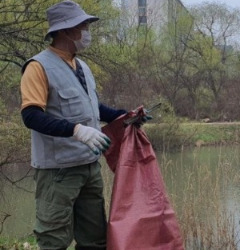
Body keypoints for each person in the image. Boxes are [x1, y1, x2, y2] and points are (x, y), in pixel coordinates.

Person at [19, 1, 131, 249]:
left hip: (89, 167)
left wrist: (125, 118)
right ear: (65, 31)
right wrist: (76, 130)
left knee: (95, 240)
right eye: (83, 26)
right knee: (54, 240)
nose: (88, 31)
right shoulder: (38, 67)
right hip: (57, 172)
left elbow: (93, 108)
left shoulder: (82, 66)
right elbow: (31, 116)